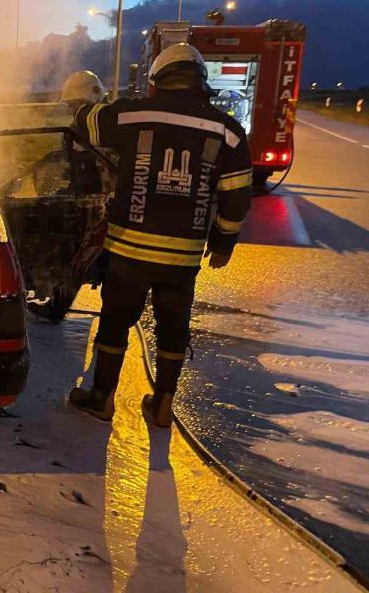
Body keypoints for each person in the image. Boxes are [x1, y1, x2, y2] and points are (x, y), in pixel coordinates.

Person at [68, 43, 252, 427]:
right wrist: (223, 243)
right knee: (173, 326)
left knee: (115, 322)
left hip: (129, 248)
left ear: (157, 80)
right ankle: (164, 402)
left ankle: (101, 398)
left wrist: (86, 100)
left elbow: (85, 123)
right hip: (183, 257)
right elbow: (237, 196)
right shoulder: (228, 131)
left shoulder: (137, 114)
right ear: (200, 82)